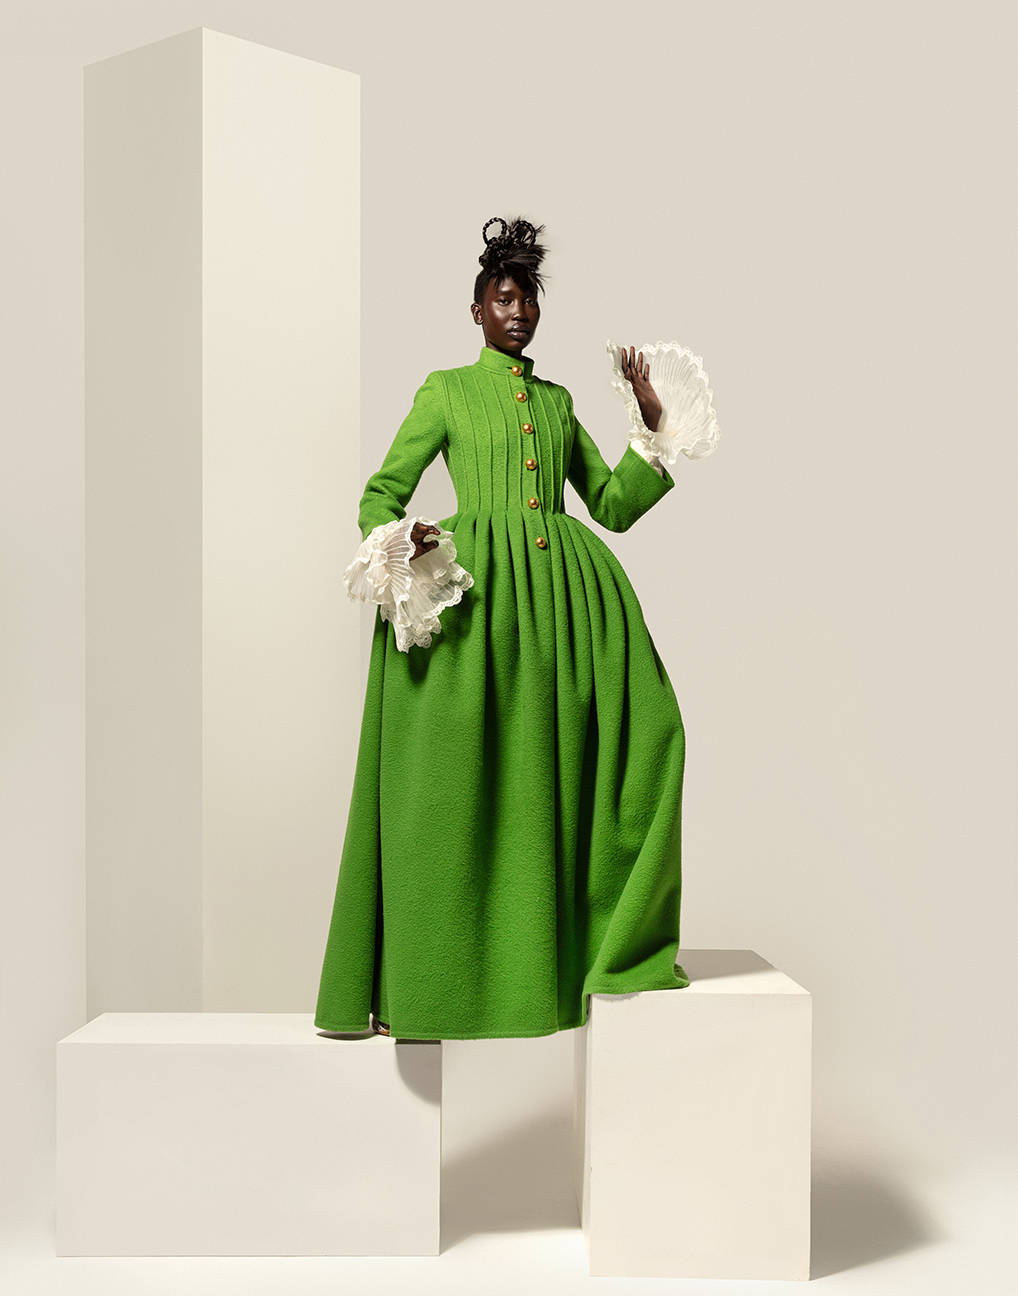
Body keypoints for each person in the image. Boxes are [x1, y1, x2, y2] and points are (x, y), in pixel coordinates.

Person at [314, 215, 690, 1041]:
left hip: (563, 608)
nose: (518, 312)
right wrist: (404, 539)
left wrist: (651, 427)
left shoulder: (556, 403)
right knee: (463, 790)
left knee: (646, 739)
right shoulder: (446, 390)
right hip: (480, 608)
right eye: (504, 297)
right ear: (477, 308)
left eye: (528, 299)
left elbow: (612, 505)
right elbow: (381, 493)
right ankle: (440, 986)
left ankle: (586, 958)